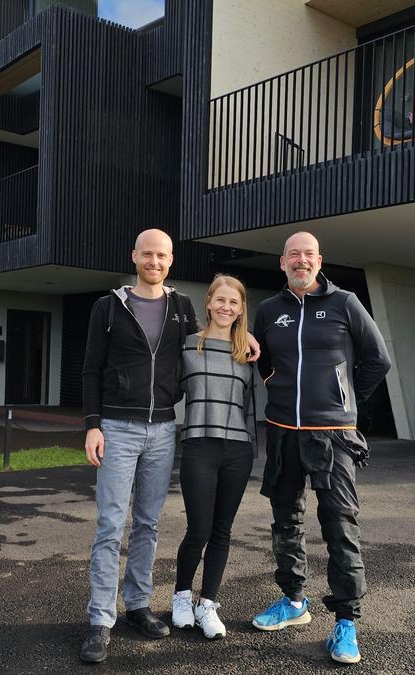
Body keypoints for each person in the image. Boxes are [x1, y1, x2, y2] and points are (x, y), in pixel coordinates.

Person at [78, 230, 261, 663]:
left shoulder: (180, 307)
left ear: (171, 260)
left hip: (163, 429)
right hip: (117, 427)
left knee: (148, 524)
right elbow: (90, 369)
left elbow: (208, 340)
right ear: (135, 256)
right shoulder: (108, 307)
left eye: (162, 255)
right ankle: (100, 620)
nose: (155, 261)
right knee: (110, 525)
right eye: (148, 254)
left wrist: (246, 335)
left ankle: (137, 606)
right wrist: (92, 426)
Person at [249, 231, 391, 665]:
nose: (301, 260)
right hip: (282, 431)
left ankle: (346, 622)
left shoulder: (345, 302)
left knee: (340, 525)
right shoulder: (269, 310)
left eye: (308, 254)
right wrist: (277, 387)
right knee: (285, 518)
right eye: (294, 254)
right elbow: (264, 362)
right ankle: (293, 602)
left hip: (333, 435)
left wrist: (344, 400)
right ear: (282, 262)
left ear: (319, 260)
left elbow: (377, 359)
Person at [171, 275, 257, 640]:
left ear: (240, 310)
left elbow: (250, 407)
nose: (226, 307)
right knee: (198, 530)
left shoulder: (248, 354)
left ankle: (208, 603)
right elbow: (166, 389)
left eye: (233, 303)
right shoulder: (188, 346)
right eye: (220, 300)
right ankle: (181, 596)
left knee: (222, 531)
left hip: (237, 450)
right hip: (198, 446)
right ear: (208, 303)